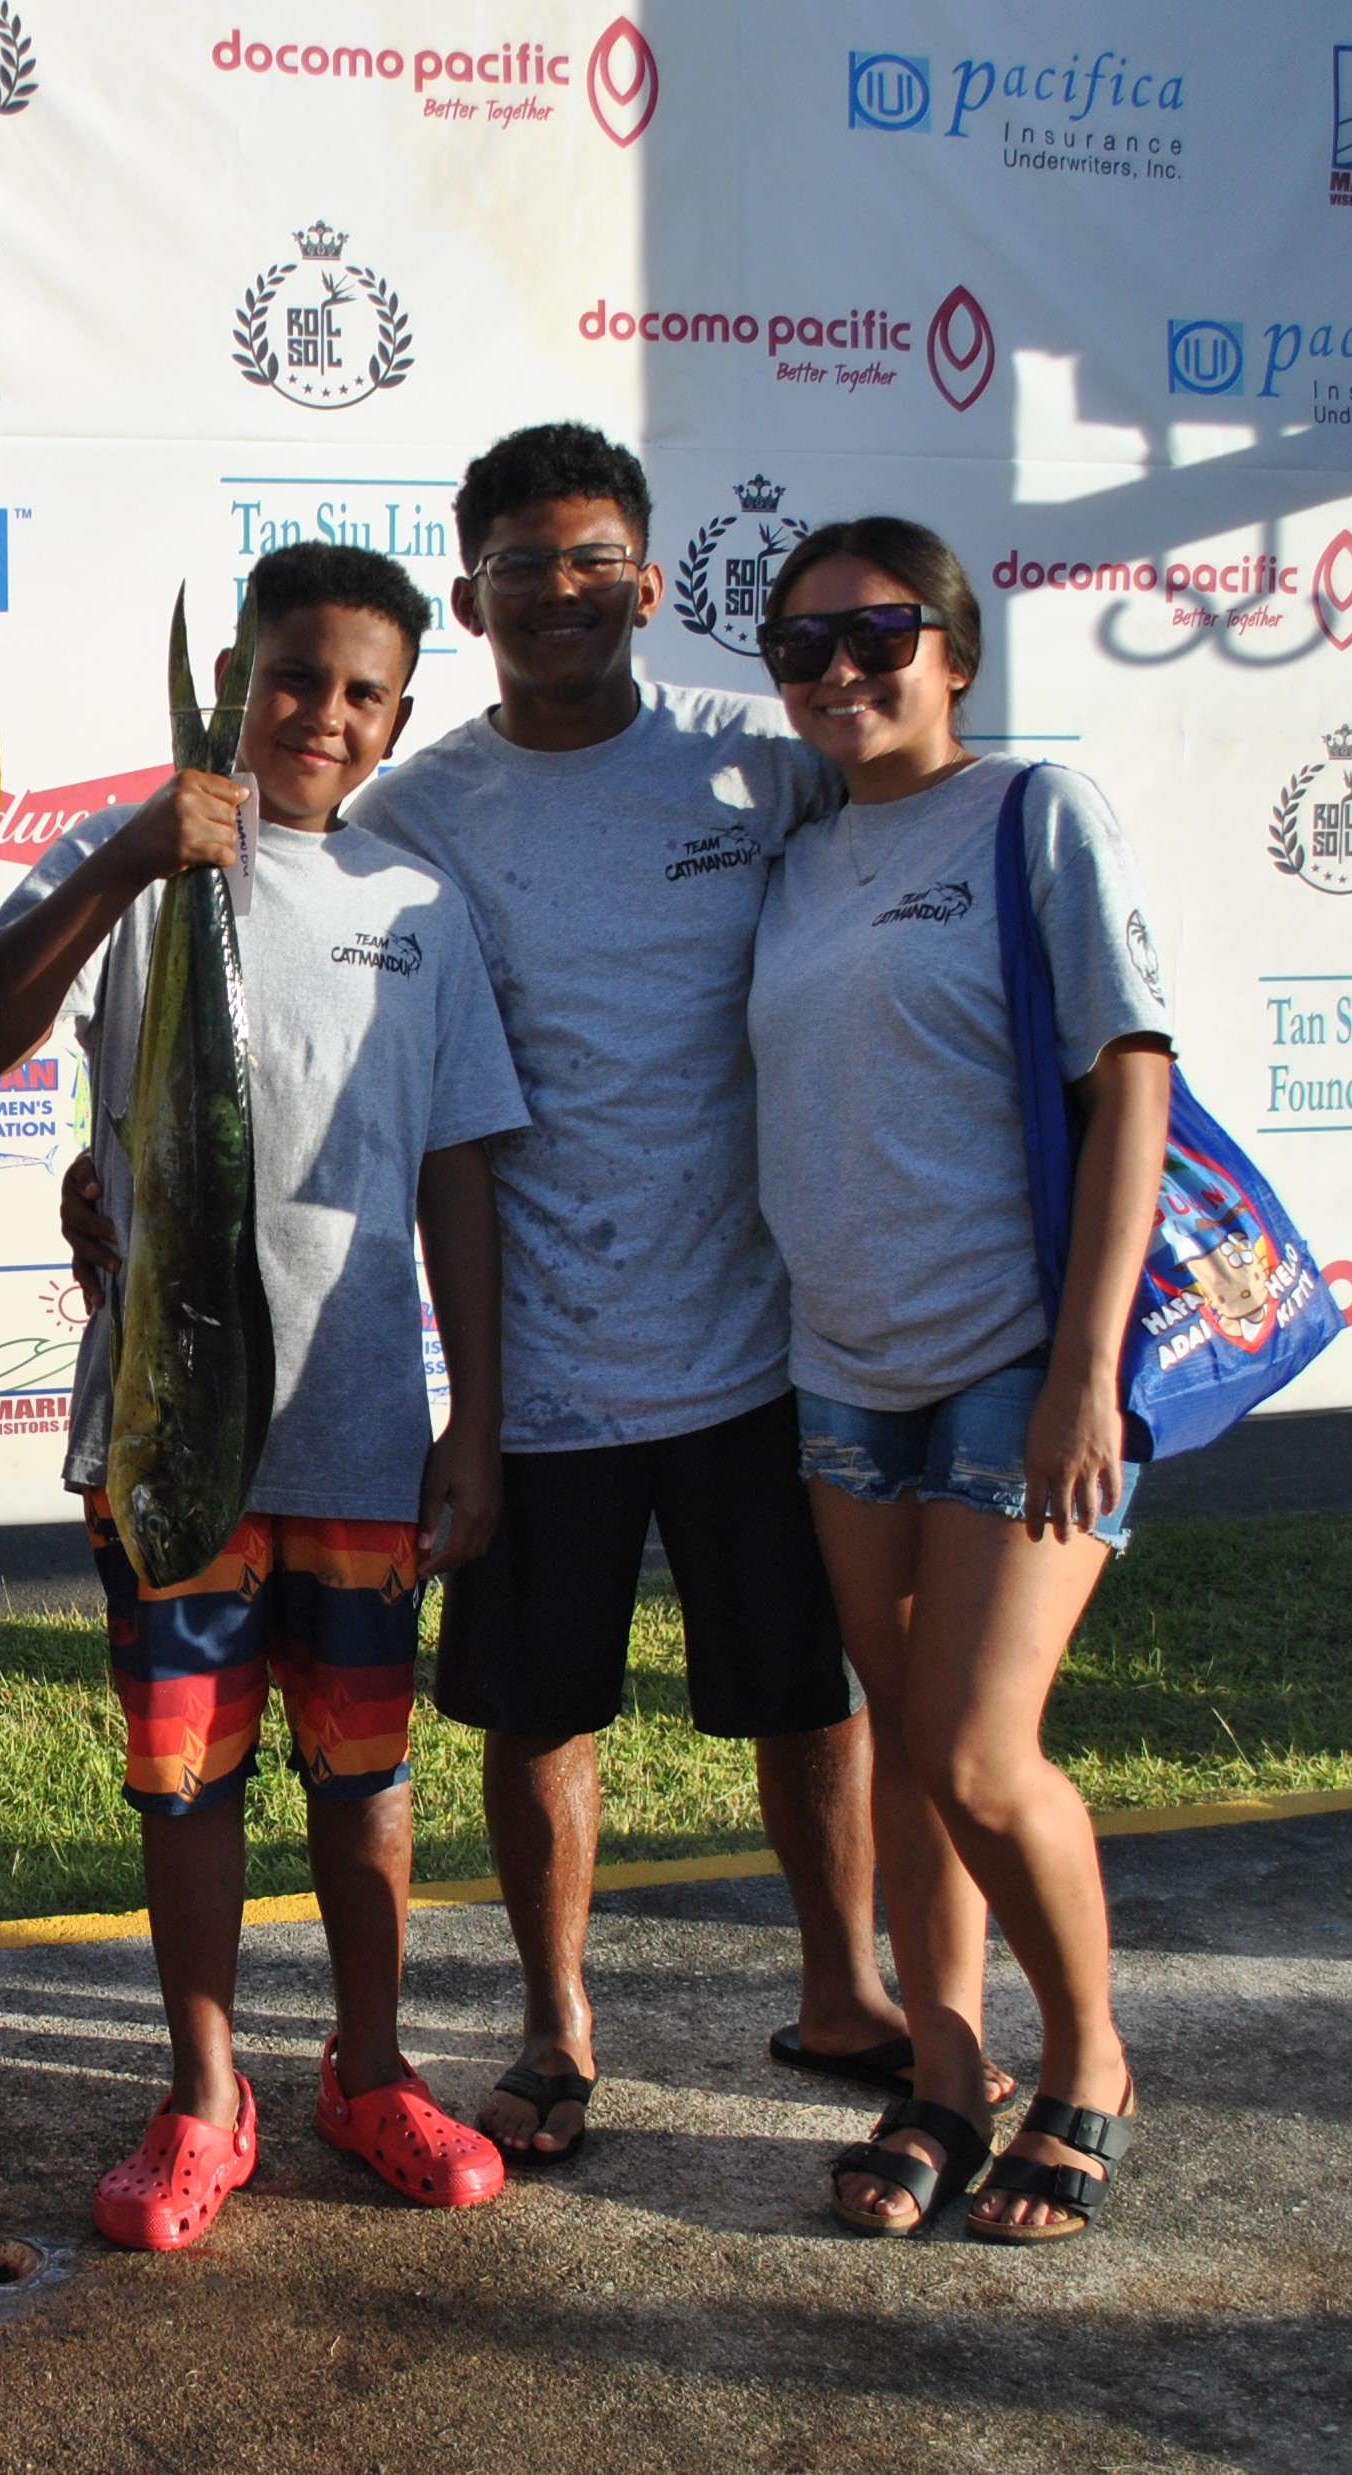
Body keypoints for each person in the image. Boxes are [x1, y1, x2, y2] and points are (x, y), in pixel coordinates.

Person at [344, 424, 914, 2165]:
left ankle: (843, 1989)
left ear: (653, 584)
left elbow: (917, 872)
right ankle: (554, 2030)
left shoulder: (769, 770)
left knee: (806, 1694)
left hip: (766, 1350)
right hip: (548, 1365)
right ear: (472, 597)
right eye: (526, 566)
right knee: (538, 1714)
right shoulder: (411, 811)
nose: (565, 592)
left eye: (596, 561)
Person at [0, 542, 524, 2248]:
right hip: (168, 1441)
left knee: (365, 1784)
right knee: (188, 1782)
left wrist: (478, 1420)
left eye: (362, 692)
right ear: (235, 674)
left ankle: (369, 2072)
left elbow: (455, 1174)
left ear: (399, 719)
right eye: (294, 676)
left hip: (362, 1434)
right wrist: (139, 850)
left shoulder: (415, 909)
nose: (322, 714)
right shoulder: (132, 859)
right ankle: (206, 2095)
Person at [747, 519, 1167, 2242]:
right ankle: (942, 2069)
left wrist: (1083, 1377)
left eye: (881, 633)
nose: (843, 672)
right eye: (803, 649)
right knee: (907, 1746)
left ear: (959, 648)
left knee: (979, 1748)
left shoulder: (1035, 814)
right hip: (846, 1367)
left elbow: (1128, 1082)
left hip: (1017, 1356)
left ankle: (1090, 2065)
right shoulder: (796, 852)